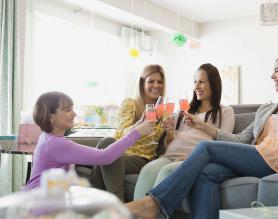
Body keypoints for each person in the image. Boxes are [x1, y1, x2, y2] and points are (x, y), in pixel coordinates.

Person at [126, 54, 278, 219]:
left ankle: (154, 204)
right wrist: (204, 127)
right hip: (258, 154)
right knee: (206, 173)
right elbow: (240, 140)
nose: (272, 75)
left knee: (205, 148)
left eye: (277, 70)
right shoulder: (266, 110)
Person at [133, 63, 235, 200]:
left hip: (192, 158)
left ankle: (150, 211)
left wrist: (201, 125)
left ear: (213, 84)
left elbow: (225, 142)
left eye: (202, 82)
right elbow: (169, 142)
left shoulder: (225, 112)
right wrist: (169, 131)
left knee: (167, 172)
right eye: (195, 82)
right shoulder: (184, 112)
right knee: (148, 170)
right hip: (170, 155)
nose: (196, 87)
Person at [24, 91, 156, 191]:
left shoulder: (47, 138)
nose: (74, 114)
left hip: (42, 196)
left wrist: (138, 124)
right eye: (68, 110)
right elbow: (105, 157)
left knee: (108, 141)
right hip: (40, 202)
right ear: (50, 117)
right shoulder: (57, 144)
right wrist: (137, 132)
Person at [92, 64, 166, 201]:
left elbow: (166, 144)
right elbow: (121, 133)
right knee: (107, 144)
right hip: (120, 150)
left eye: (160, 82)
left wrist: (171, 129)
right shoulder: (130, 104)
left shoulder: (164, 112)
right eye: (151, 81)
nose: (156, 85)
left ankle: (111, 207)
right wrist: (139, 126)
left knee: (107, 158)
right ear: (142, 83)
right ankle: (111, 208)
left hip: (142, 158)